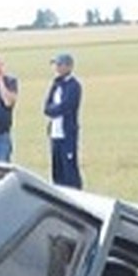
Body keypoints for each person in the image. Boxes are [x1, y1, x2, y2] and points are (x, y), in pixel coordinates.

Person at [43, 52, 83, 187]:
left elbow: (66, 107)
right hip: (55, 134)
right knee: (57, 170)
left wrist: (55, 109)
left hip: (67, 134)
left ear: (69, 66)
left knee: (69, 170)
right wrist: (55, 109)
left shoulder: (74, 86)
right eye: (56, 65)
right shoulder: (56, 84)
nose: (57, 68)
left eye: (60, 65)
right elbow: (47, 108)